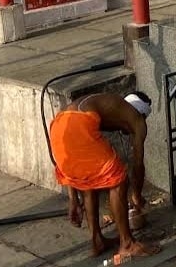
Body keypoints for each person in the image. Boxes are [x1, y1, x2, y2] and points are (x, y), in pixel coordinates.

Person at [48, 91, 159, 259]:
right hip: (76, 125)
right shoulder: (137, 119)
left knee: (91, 178)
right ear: (142, 113)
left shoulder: (110, 106)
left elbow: (75, 153)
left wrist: (73, 200)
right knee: (119, 180)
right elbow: (138, 165)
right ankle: (127, 244)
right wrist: (136, 195)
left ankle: (97, 240)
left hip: (58, 126)